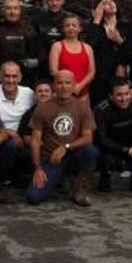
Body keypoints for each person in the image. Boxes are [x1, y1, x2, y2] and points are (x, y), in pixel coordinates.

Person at [25, 70, 99, 206]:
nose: (64, 86)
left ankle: (80, 188)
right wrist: (38, 168)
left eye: (67, 83)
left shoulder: (82, 106)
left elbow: (88, 137)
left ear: (74, 85)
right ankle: (60, 178)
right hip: (52, 158)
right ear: (54, 85)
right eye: (60, 83)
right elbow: (35, 140)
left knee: (91, 150)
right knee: (33, 197)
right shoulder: (43, 108)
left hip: (73, 153)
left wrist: (66, 147)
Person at [93, 78, 132, 196]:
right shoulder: (100, 109)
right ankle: (105, 178)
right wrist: (127, 150)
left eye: (126, 93)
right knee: (106, 159)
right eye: (119, 95)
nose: (124, 98)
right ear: (111, 96)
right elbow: (101, 139)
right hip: (112, 147)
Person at [85, 0, 131, 104]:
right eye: (105, 3)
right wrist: (96, 20)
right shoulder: (94, 28)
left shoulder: (125, 26)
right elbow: (88, 47)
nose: (111, 4)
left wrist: (120, 41)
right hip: (99, 80)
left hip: (120, 79)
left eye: (111, 0)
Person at [0, 0, 39, 85]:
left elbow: (37, 51)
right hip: (2, 77)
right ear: (3, 10)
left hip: (25, 77)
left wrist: (35, 62)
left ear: (20, 10)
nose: (12, 12)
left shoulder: (29, 27)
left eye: (15, 8)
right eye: (8, 8)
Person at [48, 14, 94, 100]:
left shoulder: (88, 48)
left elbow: (91, 72)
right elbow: (53, 71)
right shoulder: (57, 46)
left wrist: (79, 86)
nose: (71, 28)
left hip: (83, 94)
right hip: (62, 94)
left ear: (80, 28)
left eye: (74, 25)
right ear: (63, 29)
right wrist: (70, 87)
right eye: (67, 25)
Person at [32, 0, 67, 79]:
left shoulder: (70, 19)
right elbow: (33, 43)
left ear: (63, 0)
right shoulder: (37, 20)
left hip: (65, 64)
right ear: (46, 1)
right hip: (42, 66)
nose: (54, 3)